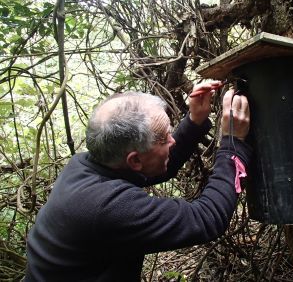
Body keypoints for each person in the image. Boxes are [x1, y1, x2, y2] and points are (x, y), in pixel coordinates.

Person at [24, 81, 251, 281]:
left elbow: (152, 168)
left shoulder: (85, 165)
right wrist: (233, 143)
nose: (172, 141)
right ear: (134, 160)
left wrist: (194, 121)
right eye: (164, 138)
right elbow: (207, 219)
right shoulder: (108, 207)